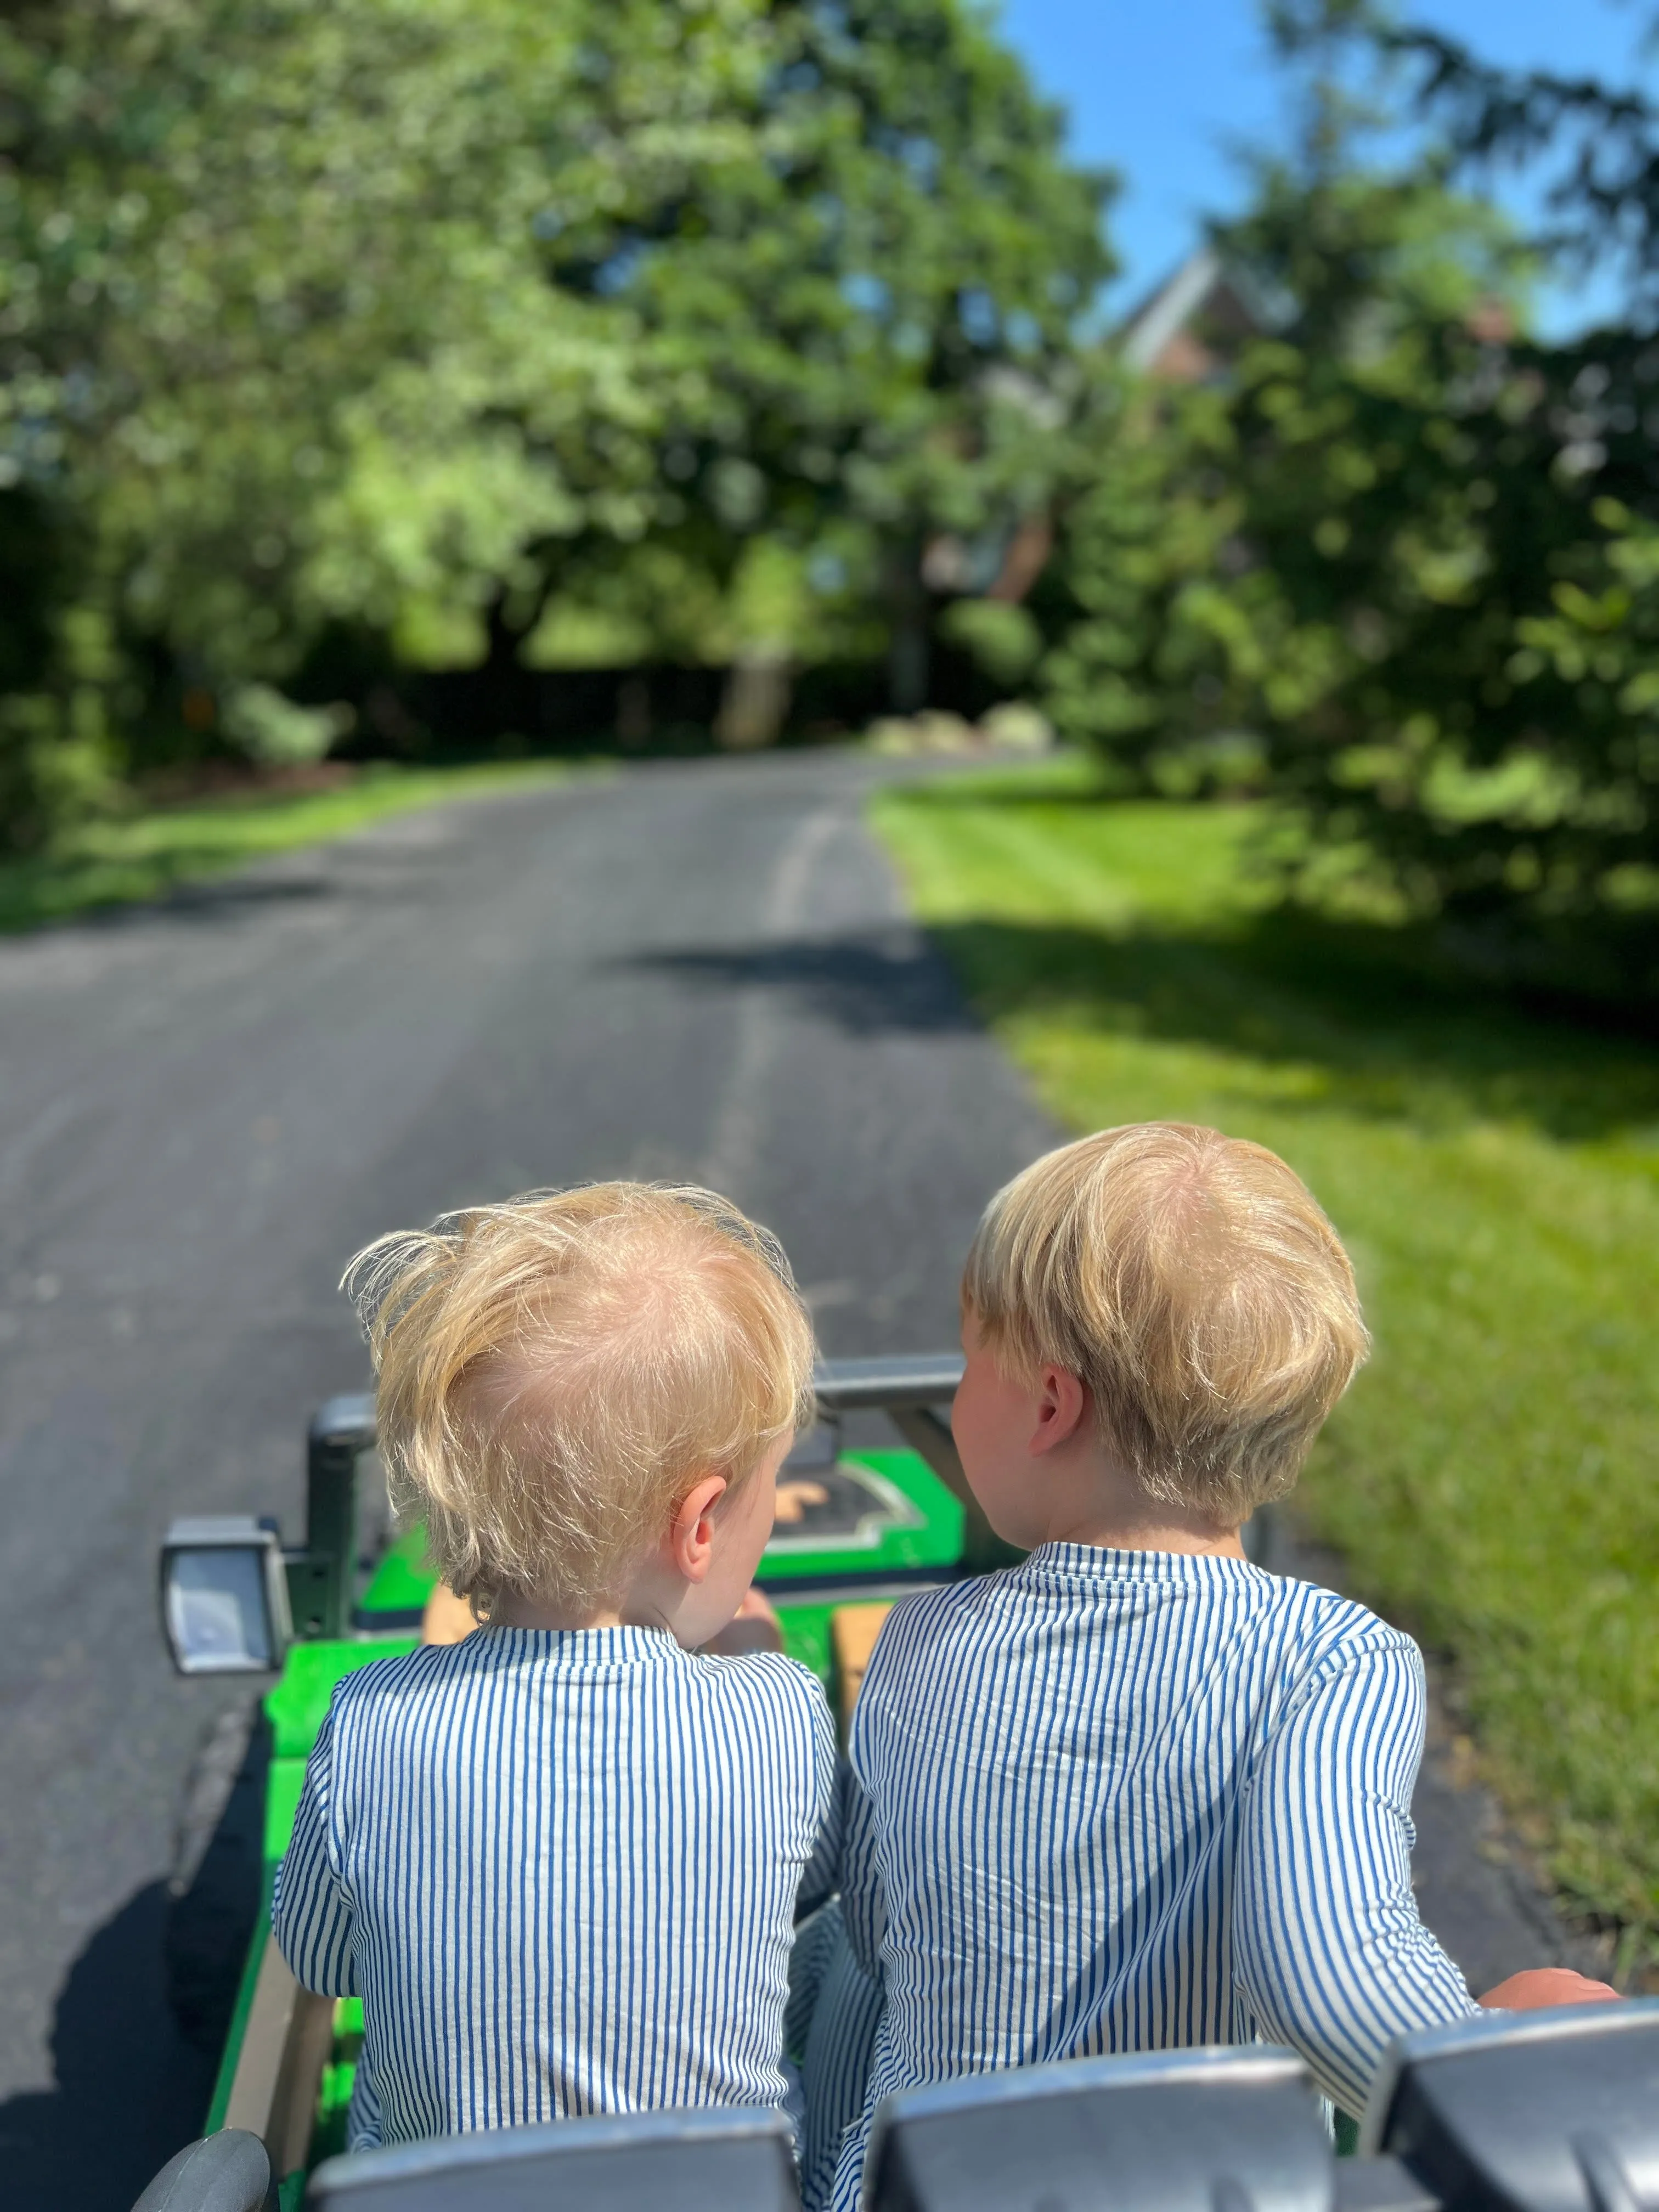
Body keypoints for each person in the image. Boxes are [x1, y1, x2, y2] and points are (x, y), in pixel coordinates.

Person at [828, 1125, 1615, 2211]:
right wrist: (1490, 2046)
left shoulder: (917, 1645)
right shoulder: (1328, 1662)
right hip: (1190, 2185)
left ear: (1052, 1407)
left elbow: (882, 1928)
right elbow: (1333, 1983)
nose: (960, 1393)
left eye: (970, 1364)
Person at [272, 1183, 835, 2148]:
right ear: (700, 1526)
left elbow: (322, 1959)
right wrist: (752, 1661)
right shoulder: (778, 1711)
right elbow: (804, 1883)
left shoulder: (370, 1723)